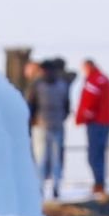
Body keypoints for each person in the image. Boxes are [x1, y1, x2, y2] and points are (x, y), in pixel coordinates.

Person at [27, 54, 73, 199]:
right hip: (57, 124)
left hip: (40, 125)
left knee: (40, 159)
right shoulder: (62, 84)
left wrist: (32, 121)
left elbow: (31, 105)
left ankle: (39, 188)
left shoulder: (37, 84)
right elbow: (67, 106)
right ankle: (56, 187)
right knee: (56, 159)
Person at [74, 56, 109, 196]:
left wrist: (82, 117)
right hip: (105, 121)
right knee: (100, 153)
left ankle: (99, 183)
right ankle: (100, 182)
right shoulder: (104, 79)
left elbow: (89, 102)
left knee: (94, 155)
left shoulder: (94, 81)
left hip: (96, 122)